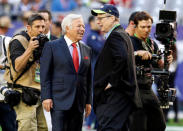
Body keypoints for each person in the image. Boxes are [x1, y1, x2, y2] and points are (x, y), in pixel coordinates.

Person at [91, 4, 142, 131]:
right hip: (122, 96)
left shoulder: (116, 35)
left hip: (116, 96)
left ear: (113, 18)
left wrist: (112, 82)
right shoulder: (120, 34)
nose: (98, 21)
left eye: (101, 18)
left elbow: (122, 58)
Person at [40, 14, 92, 131]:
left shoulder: (87, 49)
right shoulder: (51, 46)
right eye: (79, 26)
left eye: (83, 26)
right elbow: (45, 74)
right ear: (67, 28)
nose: (82, 29)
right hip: (59, 101)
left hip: (79, 102)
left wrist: (88, 101)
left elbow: (88, 78)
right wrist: (46, 96)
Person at [129, 11, 173, 131]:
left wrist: (166, 61)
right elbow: (121, 59)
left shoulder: (152, 44)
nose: (146, 30)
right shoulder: (129, 41)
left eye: (149, 27)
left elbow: (160, 67)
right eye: (143, 27)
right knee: (139, 125)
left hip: (147, 88)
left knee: (159, 124)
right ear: (135, 26)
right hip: (134, 88)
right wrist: (136, 53)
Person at [4, 14, 48, 131]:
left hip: (37, 90)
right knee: (28, 128)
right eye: (37, 26)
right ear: (28, 28)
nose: (41, 30)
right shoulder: (18, 41)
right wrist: (29, 49)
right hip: (23, 91)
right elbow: (17, 67)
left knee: (43, 128)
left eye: (43, 27)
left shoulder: (41, 40)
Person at [85, 15, 104, 129]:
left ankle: (96, 123)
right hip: (94, 71)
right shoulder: (91, 37)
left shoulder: (100, 36)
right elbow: (102, 50)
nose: (99, 23)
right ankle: (88, 123)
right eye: (96, 21)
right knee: (93, 97)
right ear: (91, 23)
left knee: (99, 97)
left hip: (100, 71)